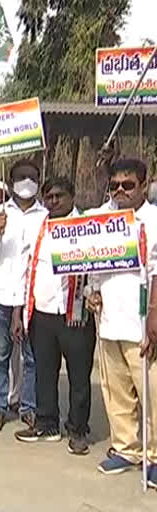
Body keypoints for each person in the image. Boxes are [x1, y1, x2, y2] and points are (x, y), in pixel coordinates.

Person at [11, 176, 96, 456]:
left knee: (79, 376)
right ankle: (47, 424)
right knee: (44, 373)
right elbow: (25, 270)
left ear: (72, 196)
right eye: (48, 197)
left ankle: (78, 429)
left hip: (76, 313)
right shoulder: (39, 227)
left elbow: (99, 265)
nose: (54, 201)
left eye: (59, 196)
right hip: (43, 314)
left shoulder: (87, 226)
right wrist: (19, 313)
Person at [88, 159, 157, 485]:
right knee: (115, 391)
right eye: (114, 185)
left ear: (144, 185)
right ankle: (125, 448)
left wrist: (155, 313)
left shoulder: (154, 220)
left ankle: (154, 456)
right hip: (110, 318)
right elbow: (94, 266)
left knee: (152, 392)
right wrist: (93, 291)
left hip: (143, 321)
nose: (120, 191)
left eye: (127, 185)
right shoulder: (104, 220)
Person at [0, 159, 47, 432]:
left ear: (38, 180)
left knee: (31, 358)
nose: (26, 182)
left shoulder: (46, 215)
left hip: (33, 299)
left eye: (31, 177)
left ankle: (29, 408)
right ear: (11, 181)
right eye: (21, 177)